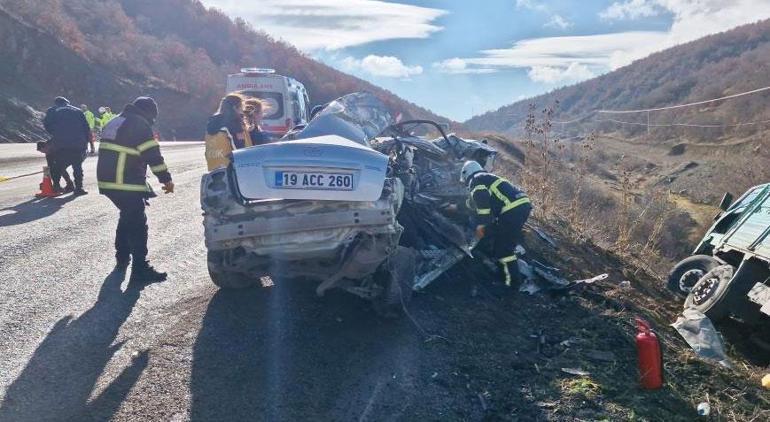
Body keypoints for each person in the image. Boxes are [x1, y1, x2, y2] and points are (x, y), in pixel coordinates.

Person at [97, 96, 173, 284]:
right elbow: (152, 155)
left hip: (108, 180)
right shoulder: (139, 124)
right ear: (149, 113)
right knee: (138, 223)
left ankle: (122, 257)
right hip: (125, 180)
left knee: (128, 214)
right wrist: (166, 179)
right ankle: (140, 269)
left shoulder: (117, 120)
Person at [461, 161, 532, 287]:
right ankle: (507, 277)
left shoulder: (476, 180)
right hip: (520, 206)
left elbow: (482, 205)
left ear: (466, 174)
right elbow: (476, 204)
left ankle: (511, 284)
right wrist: (457, 207)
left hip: (511, 211)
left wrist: (481, 226)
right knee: (501, 241)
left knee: (504, 250)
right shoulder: (486, 178)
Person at [42, 97, 90, 195]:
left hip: (62, 143)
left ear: (56, 103)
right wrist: (85, 142)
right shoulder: (78, 111)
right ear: (67, 103)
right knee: (77, 166)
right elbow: (86, 128)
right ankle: (79, 188)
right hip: (78, 143)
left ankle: (56, 186)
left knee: (57, 165)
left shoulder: (52, 110)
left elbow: (47, 124)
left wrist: (56, 133)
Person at [204, 93, 252, 170]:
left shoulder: (212, 122)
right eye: (241, 107)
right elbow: (240, 148)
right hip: (230, 168)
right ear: (235, 108)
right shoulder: (234, 123)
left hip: (213, 166)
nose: (242, 111)